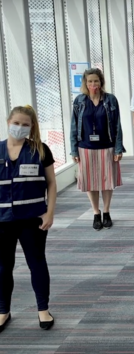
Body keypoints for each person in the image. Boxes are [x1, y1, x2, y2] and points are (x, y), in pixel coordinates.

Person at [0, 105, 57, 332]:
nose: (20, 128)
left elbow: (52, 183)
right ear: (8, 122)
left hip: (32, 219)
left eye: (25, 124)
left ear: (32, 127)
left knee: (37, 263)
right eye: (17, 123)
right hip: (2, 220)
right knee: (3, 267)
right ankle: (3, 310)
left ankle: (43, 309)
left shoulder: (40, 150)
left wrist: (50, 211)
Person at [70, 68, 124, 231]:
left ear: (101, 82)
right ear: (85, 83)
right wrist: (73, 150)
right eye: (90, 81)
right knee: (91, 182)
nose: (93, 84)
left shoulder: (110, 100)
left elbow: (117, 125)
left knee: (107, 181)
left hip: (107, 146)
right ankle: (96, 212)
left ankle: (106, 211)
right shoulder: (79, 101)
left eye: (96, 81)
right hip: (85, 147)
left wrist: (118, 148)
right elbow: (73, 126)